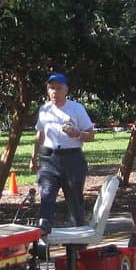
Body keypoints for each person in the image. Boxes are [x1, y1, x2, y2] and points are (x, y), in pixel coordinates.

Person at [29, 72, 96, 233]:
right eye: (51, 88)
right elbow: (40, 134)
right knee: (46, 196)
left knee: (74, 200)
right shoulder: (44, 109)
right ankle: (43, 237)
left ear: (66, 90)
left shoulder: (76, 108)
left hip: (72, 158)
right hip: (49, 159)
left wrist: (77, 134)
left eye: (59, 88)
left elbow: (91, 135)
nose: (54, 92)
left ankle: (79, 238)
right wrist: (34, 157)